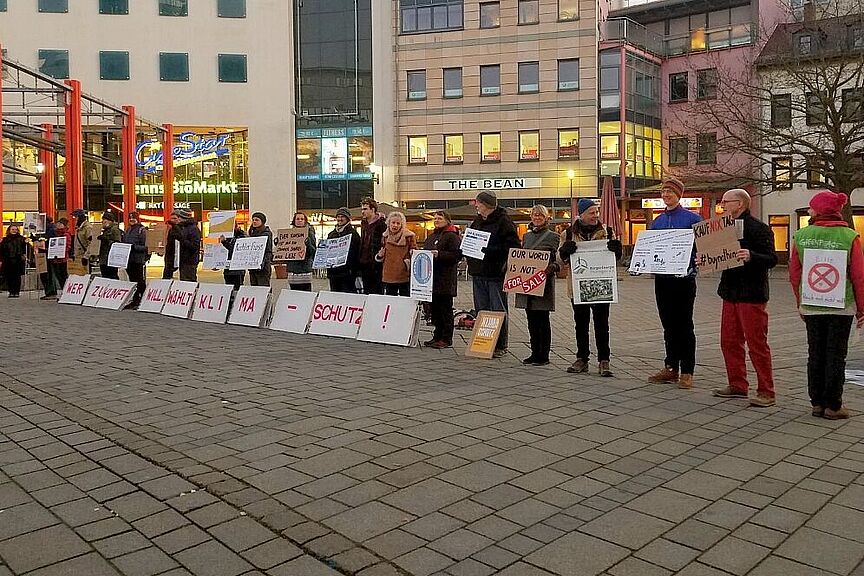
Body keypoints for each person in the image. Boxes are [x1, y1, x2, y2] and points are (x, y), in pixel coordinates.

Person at [789, 190, 864, 420]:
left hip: (812, 303)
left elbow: (794, 273)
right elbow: (859, 275)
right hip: (841, 305)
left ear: (819, 210)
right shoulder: (850, 236)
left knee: (815, 352)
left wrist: (800, 301)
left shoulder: (801, 236)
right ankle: (834, 405)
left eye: (811, 207)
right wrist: (861, 309)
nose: (809, 210)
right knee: (836, 354)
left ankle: (817, 403)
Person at [709, 189, 778, 407]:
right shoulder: (722, 227)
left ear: (739, 204)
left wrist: (751, 255)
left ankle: (766, 390)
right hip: (730, 292)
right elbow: (714, 255)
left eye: (726, 202)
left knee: (757, 343)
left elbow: (772, 258)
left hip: (752, 294)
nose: (722, 206)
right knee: (729, 341)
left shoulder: (759, 228)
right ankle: (737, 384)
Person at [647, 177, 703, 389]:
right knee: (668, 324)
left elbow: (703, 246)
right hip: (662, 279)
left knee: (684, 325)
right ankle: (671, 366)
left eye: (670, 192)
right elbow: (650, 249)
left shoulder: (692, 218)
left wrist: (698, 259)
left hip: (684, 279)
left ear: (679, 194)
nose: (666, 195)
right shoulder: (658, 221)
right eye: (663, 192)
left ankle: (687, 371)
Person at [559, 198, 623, 377]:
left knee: (602, 324)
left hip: (601, 284)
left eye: (597, 212)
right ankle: (582, 358)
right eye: (592, 212)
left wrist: (617, 250)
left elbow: (615, 258)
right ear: (581, 214)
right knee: (581, 324)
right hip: (578, 286)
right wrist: (565, 251)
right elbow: (559, 258)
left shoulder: (607, 232)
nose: (596, 215)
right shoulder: (569, 233)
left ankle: (604, 360)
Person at [466, 191, 521, 358]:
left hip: (495, 272)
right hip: (478, 271)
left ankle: (501, 344)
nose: (476, 206)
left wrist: (490, 250)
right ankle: (484, 342)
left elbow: (513, 247)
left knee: (497, 309)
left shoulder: (504, 222)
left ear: (487, 205)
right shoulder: (477, 221)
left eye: (479, 203)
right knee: (481, 309)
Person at [516, 205, 560, 366]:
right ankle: (534, 352)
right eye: (534, 215)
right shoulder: (526, 237)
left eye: (540, 215)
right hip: (527, 284)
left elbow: (558, 260)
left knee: (542, 319)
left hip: (543, 283)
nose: (537, 217)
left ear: (547, 217)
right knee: (531, 319)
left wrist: (550, 269)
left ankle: (544, 355)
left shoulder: (553, 236)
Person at [422, 211, 462, 349]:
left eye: (440, 218)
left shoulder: (452, 236)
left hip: (445, 279)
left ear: (447, 220)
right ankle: (437, 335)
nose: (437, 220)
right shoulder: (432, 236)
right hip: (431, 278)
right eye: (435, 218)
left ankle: (446, 338)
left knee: (445, 310)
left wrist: (440, 254)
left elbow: (457, 255)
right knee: (435, 310)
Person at [375, 212, 416, 297]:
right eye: (393, 223)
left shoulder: (409, 236)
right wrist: (380, 256)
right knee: (390, 299)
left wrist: (411, 255)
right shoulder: (384, 236)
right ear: (389, 223)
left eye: (398, 223)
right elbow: (381, 252)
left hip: (404, 274)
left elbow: (414, 251)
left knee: (405, 299)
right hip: (389, 273)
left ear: (402, 225)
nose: (395, 225)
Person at [327, 207, 361, 293]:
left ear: (347, 218)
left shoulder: (353, 234)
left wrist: (353, 270)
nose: (340, 219)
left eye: (342, 216)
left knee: (347, 297)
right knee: (335, 297)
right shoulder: (331, 234)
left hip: (347, 273)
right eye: (338, 216)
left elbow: (356, 253)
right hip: (334, 272)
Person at [359, 197, 387, 294]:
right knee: (366, 291)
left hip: (375, 263)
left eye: (365, 209)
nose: (363, 212)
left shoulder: (381, 224)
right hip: (364, 262)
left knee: (377, 291)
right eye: (362, 209)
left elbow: (384, 243)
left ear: (373, 210)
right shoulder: (364, 223)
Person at [123, 212, 148, 309]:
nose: (131, 220)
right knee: (132, 279)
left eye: (133, 218)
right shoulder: (128, 229)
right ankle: (135, 299)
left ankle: (141, 299)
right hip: (129, 259)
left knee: (139, 280)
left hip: (137, 259)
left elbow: (145, 247)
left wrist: (134, 247)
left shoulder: (142, 230)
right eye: (130, 218)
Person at [286, 211, 316, 292]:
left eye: (302, 219)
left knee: (306, 294)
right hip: (293, 270)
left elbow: (313, 251)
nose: (299, 220)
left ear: (305, 221)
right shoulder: (288, 234)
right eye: (298, 219)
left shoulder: (309, 233)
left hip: (305, 270)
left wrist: (308, 244)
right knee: (294, 293)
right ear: (294, 221)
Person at [173, 208, 201, 282]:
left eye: (179, 217)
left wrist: (182, 239)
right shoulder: (184, 228)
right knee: (184, 283)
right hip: (184, 261)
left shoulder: (193, 229)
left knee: (189, 283)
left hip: (190, 261)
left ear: (183, 218)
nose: (177, 219)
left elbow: (194, 246)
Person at [0, 225, 27, 298]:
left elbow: (25, 249)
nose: (14, 231)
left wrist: (24, 255)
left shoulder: (21, 239)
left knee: (17, 277)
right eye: (12, 229)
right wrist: (1, 260)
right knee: (9, 276)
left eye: (15, 229)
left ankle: (16, 291)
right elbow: (1, 250)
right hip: (7, 260)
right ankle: (11, 291)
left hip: (18, 260)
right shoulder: (5, 240)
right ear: (9, 230)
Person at [248, 211, 273, 287]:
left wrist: (265, 262)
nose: (254, 222)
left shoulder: (266, 233)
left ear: (262, 221)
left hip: (263, 266)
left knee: (263, 287)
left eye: (257, 220)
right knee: (254, 288)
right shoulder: (252, 233)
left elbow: (268, 250)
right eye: (253, 220)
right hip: (253, 266)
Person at [50, 218, 73, 295]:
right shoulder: (55, 233)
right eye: (58, 223)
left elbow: (68, 246)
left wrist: (62, 251)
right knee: (58, 276)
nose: (58, 225)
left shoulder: (66, 234)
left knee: (63, 275)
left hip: (63, 259)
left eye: (61, 224)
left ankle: (66, 290)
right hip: (55, 258)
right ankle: (64, 290)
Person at [97, 212, 122, 279]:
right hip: (104, 259)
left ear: (110, 221)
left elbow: (117, 244)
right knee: (105, 277)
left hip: (111, 259)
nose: (103, 221)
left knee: (112, 277)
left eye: (105, 219)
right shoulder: (105, 230)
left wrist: (107, 240)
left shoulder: (114, 230)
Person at [221, 225, 247, 291]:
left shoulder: (241, 236)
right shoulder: (226, 236)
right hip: (227, 268)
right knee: (228, 288)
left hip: (237, 269)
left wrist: (224, 242)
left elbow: (235, 250)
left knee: (237, 289)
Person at [162, 212, 180, 279]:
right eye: (172, 218)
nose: (173, 220)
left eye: (175, 218)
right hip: (169, 254)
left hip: (178, 254)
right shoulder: (170, 229)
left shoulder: (180, 229)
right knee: (167, 272)